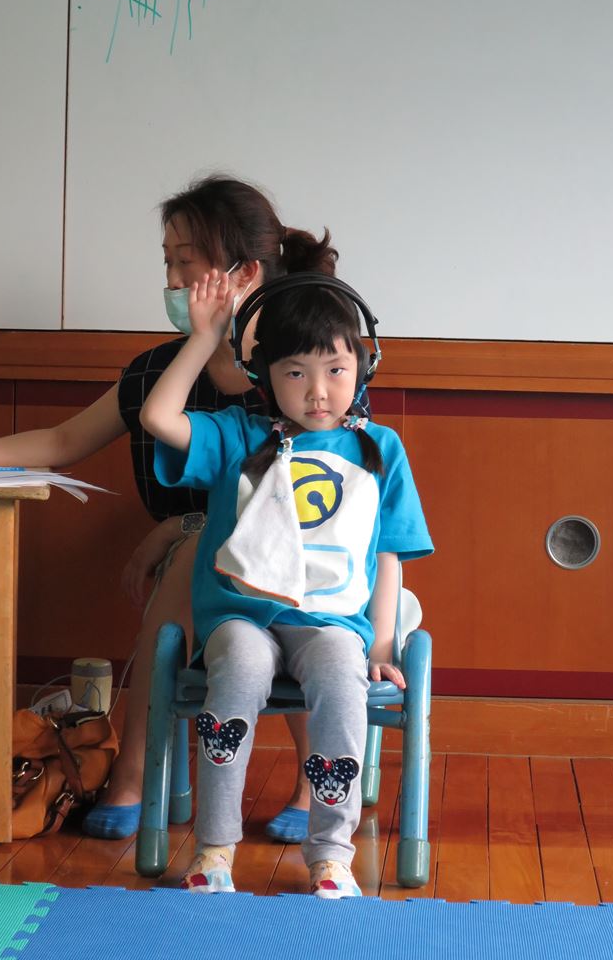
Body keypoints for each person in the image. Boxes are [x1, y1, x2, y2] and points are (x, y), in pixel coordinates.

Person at [0, 174, 343, 843]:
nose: (171, 279)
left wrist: (183, 526)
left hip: (300, 562)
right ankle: (134, 775)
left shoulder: (306, 373)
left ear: (244, 274)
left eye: (186, 262)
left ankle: (296, 780)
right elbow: (62, 441)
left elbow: (324, 485)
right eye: (166, 262)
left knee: (223, 557)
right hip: (198, 572)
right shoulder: (156, 372)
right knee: (197, 552)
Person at [139, 271, 433, 897]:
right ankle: (215, 849)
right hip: (241, 617)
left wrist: (382, 643)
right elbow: (158, 417)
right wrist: (204, 339)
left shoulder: (380, 449)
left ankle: (331, 856)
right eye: (295, 372)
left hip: (333, 622)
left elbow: (389, 554)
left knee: (342, 676)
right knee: (241, 666)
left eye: (335, 370)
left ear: (364, 367)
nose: (318, 391)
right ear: (264, 375)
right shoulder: (241, 436)